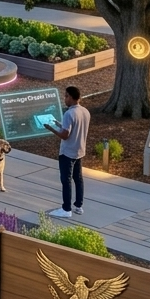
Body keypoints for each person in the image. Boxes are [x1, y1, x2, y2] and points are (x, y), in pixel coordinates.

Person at [46, 85, 91, 217]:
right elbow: (75, 128)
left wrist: (51, 129)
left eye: (66, 96)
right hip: (79, 150)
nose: (64, 99)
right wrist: (59, 124)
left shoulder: (69, 113)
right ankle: (78, 206)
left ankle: (66, 209)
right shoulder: (85, 112)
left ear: (71, 97)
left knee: (66, 180)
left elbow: (65, 135)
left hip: (67, 152)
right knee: (78, 179)